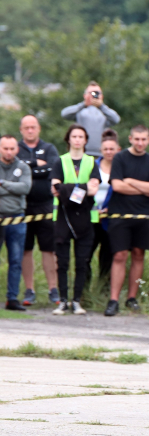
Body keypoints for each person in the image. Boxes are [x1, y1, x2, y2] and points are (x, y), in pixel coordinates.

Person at [104, 125, 149, 316]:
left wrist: (131, 181)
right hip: (120, 214)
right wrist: (142, 189)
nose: (140, 142)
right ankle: (113, 300)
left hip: (144, 215)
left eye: (143, 139)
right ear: (130, 139)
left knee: (138, 254)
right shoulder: (120, 158)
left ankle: (132, 298)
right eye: (137, 139)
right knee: (120, 255)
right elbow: (118, 186)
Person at [50, 125, 100, 315]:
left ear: (85, 140)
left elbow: (94, 188)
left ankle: (77, 300)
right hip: (62, 217)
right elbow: (54, 188)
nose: (77, 140)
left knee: (82, 261)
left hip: (85, 218)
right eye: (74, 136)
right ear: (68, 139)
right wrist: (81, 189)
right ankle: (62, 300)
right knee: (62, 261)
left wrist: (67, 190)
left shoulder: (90, 162)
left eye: (81, 136)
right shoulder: (60, 161)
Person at [17, 115, 59, 306]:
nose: (30, 130)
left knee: (48, 249)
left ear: (39, 128)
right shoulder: (16, 148)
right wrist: (36, 165)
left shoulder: (49, 148)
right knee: (25, 249)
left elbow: (53, 168)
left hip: (45, 206)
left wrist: (26, 167)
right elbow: (15, 171)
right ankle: (29, 290)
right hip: (23, 206)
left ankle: (53, 289)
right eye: (27, 127)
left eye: (33, 127)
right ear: (21, 130)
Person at [0, 135, 32, 311]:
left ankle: (12, 298)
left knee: (16, 259)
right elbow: (18, 188)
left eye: (12, 148)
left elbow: (25, 188)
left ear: (17, 149)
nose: (9, 152)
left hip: (17, 218)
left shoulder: (23, 167)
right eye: (5, 148)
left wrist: (3, 184)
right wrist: (13, 188)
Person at [88, 130, 121, 286]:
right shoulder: (92, 166)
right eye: (106, 149)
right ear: (101, 150)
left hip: (111, 218)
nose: (109, 152)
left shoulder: (121, 167)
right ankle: (84, 290)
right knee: (85, 255)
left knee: (107, 257)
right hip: (91, 217)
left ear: (118, 149)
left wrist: (111, 208)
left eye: (112, 149)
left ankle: (104, 290)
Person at [60, 81, 121, 157]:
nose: (94, 95)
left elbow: (116, 119)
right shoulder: (80, 111)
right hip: (82, 153)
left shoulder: (105, 113)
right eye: (91, 93)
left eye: (97, 93)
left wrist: (101, 106)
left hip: (101, 154)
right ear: (85, 95)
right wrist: (84, 104)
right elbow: (64, 114)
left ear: (102, 96)